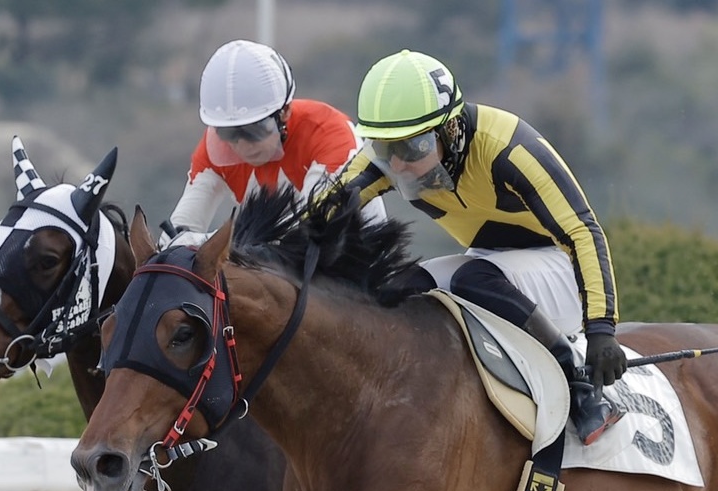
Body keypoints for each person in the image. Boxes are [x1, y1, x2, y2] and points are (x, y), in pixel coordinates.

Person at [324, 49, 627, 445]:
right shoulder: (390, 160)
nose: (397, 165)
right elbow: (322, 211)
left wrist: (602, 330)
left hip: (560, 270)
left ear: (450, 130)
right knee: (398, 286)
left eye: (411, 148)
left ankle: (579, 387)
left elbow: (583, 232)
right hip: (492, 264)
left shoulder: (509, 151)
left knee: (472, 277)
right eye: (385, 149)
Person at [162, 39, 383, 248]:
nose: (241, 146)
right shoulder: (217, 146)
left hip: (354, 263)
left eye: (254, 130)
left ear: (285, 111)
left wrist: (199, 242)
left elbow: (303, 234)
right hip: (271, 268)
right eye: (228, 133)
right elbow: (176, 234)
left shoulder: (330, 133)